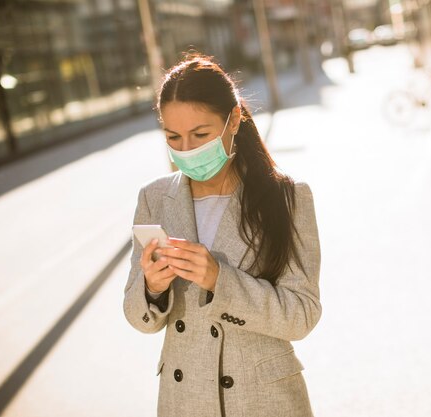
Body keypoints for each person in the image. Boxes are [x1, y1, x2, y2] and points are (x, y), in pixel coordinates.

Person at [123, 54, 321, 417]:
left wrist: (220, 280)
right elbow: (138, 318)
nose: (187, 150)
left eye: (200, 135)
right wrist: (152, 287)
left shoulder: (287, 197)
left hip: (264, 401)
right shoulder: (153, 198)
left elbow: (302, 315)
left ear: (233, 121)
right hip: (185, 402)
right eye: (173, 137)